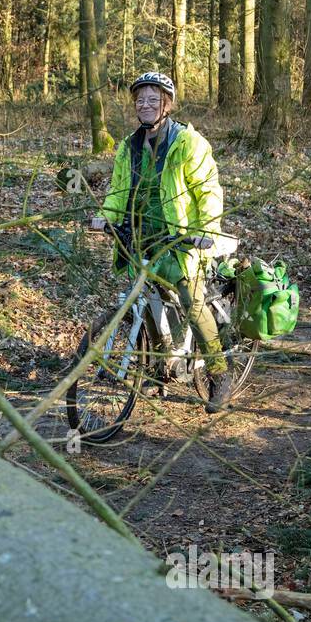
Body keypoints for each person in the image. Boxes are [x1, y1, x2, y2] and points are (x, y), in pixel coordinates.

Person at [96, 71, 234, 413]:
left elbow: (208, 190)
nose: (145, 105)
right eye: (140, 100)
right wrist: (107, 217)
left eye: (153, 100)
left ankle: (219, 373)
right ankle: (159, 365)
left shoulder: (188, 143)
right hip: (142, 236)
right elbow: (117, 190)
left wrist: (206, 230)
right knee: (148, 297)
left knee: (191, 299)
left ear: (167, 105)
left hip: (181, 238)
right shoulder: (129, 146)